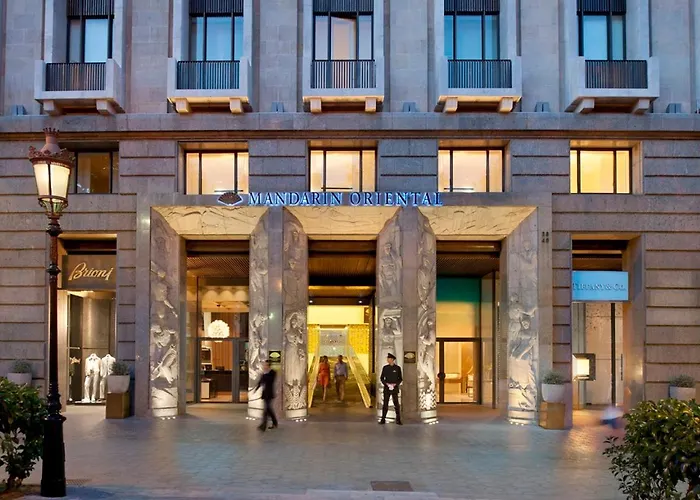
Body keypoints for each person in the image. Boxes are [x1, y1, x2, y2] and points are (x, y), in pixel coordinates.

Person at [379, 353, 403, 425]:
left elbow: (400, 379)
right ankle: (383, 419)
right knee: (385, 404)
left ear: (392, 359)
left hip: (394, 388)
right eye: (387, 358)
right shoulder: (385, 368)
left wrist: (395, 384)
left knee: (396, 404)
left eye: (389, 358)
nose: (387, 360)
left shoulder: (397, 368)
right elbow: (382, 378)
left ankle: (398, 419)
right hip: (387, 388)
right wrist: (386, 384)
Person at [255, 360, 278, 432]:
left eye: (266, 365)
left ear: (269, 365)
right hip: (265, 394)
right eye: (264, 365)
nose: (264, 366)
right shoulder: (264, 373)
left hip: (270, 393)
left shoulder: (272, 372)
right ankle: (275, 422)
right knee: (269, 409)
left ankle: (263, 425)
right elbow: (261, 381)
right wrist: (256, 389)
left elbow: (269, 380)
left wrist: (265, 374)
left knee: (266, 410)